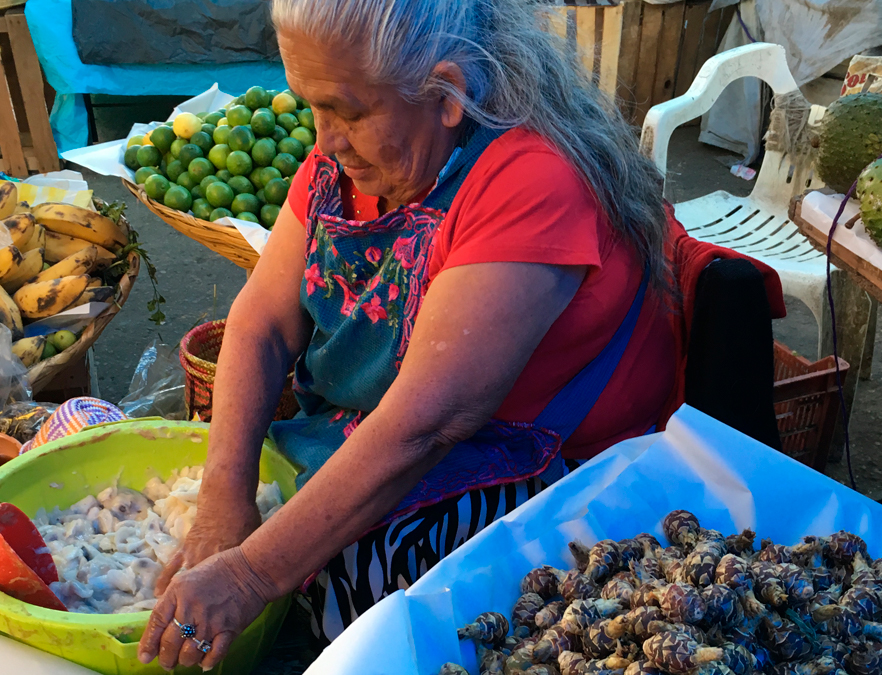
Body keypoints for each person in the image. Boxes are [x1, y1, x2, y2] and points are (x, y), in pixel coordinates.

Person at [138, 0, 677, 669]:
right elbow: (260, 323)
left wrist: (250, 574)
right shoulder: (346, 160)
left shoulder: (532, 180)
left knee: (364, 575)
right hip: (395, 430)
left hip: (561, 473)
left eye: (349, 111)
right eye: (309, 103)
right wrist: (224, 499)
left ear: (447, 93)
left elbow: (423, 426)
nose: (323, 138)